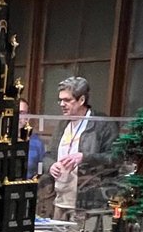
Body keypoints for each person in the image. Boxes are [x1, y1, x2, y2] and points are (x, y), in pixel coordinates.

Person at [47, 77, 118, 223]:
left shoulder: (102, 124)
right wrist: (51, 165)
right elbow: (48, 155)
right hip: (59, 199)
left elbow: (115, 158)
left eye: (67, 100)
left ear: (81, 100)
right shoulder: (63, 124)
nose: (62, 104)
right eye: (60, 100)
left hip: (87, 203)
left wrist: (85, 157)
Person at [19, 98, 46, 179]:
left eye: (22, 113)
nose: (18, 117)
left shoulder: (37, 143)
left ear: (28, 118)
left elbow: (42, 172)